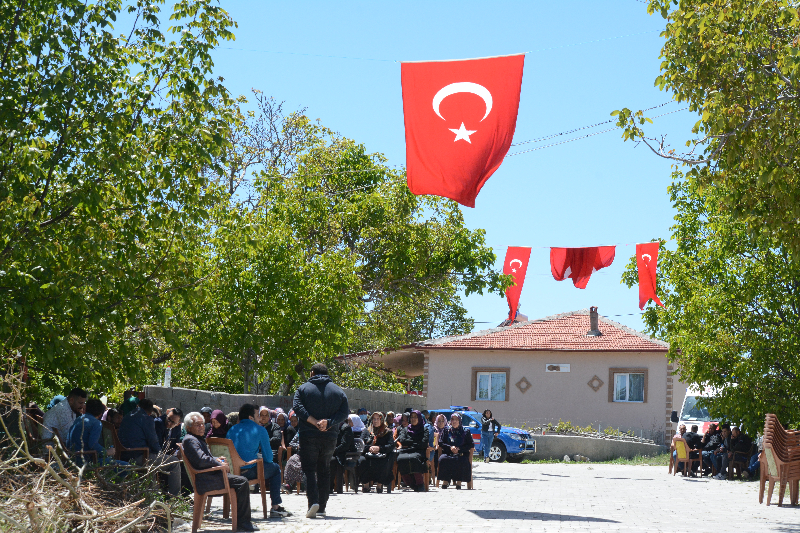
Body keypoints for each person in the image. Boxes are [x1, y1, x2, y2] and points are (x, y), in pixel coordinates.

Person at [182, 412, 258, 532]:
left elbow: (203, 458)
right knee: (242, 482)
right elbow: (201, 460)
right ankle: (243, 522)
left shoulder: (195, 439)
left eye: (202, 424)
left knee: (240, 481)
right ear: (188, 427)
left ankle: (242, 521)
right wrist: (219, 464)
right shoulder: (190, 440)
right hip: (206, 480)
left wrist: (216, 459)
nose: (201, 427)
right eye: (197, 425)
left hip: (208, 476)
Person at [292, 362, 349, 518]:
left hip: (308, 434)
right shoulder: (338, 391)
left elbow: (297, 407)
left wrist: (313, 421)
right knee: (324, 469)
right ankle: (322, 507)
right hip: (330, 436)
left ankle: (313, 503)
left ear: (312, 373)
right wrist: (328, 423)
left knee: (309, 469)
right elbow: (345, 412)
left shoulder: (302, 389)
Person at [226, 403, 291, 518]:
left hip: (231, 473)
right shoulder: (260, 430)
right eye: (257, 415)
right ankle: (275, 507)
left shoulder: (231, 430)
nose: (260, 418)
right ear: (251, 417)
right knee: (275, 468)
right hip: (248, 471)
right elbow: (269, 458)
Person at [117, 398, 182, 496]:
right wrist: (160, 454)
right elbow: (153, 441)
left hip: (122, 454)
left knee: (152, 461)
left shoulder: (128, 415)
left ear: (138, 406)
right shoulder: (146, 419)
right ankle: (175, 497)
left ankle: (152, 496)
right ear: (150, 411)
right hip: (137, 456)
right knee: (175, 462)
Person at [359, 411, 395, 493]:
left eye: (377, 419)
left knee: (384, 462)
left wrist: (379, 448)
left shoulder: (387, 432)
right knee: (361, 461)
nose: (375, 421)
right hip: (368, 454)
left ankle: (380, 484)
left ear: (381, 420)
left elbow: (391, 445)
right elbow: (361, 444)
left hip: (382, 454)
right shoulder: (366, 431)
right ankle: (366, 483)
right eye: (374, 419)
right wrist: (369, 448)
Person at [395, 410, 429, 491]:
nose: (413, 419)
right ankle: (411, 484)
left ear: (419, 418)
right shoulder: (405, 429)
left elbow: (424, 443)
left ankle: (420, 483)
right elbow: (402, 440)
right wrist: (416, 442)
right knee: (400, 459)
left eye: (415, 417)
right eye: (412, 417)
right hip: (406, 451)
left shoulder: (424, 430)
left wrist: (410, 442)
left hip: (418, 452)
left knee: (414, 458)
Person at [438, 412, 474, 489]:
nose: (454, 421)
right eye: (452, 419)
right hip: (448, 452)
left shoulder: (465, 431)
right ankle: (445, 481)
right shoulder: (446, 430)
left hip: (461, 453)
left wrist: (459, 449)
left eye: (456, 419)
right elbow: (441, 442)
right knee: (443, 459)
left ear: (460, 421)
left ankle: (459, 481)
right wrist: (450, 447)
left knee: (461, 460)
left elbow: (470, 445)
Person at [67, 398, 106, 465]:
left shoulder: (78, 419)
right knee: (124, 465)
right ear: (100, 414)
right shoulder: (96, 423)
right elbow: (93, 444)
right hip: (86, 461)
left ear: (85, 409)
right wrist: (106, 452)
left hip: (72, 458)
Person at [331, 415, 358, 494]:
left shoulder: (346, 428)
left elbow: (345, 445)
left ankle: (332, 487)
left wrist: (333, 451)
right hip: (334, 452)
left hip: (345, 454)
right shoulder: (332, 427)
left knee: (332, 461)